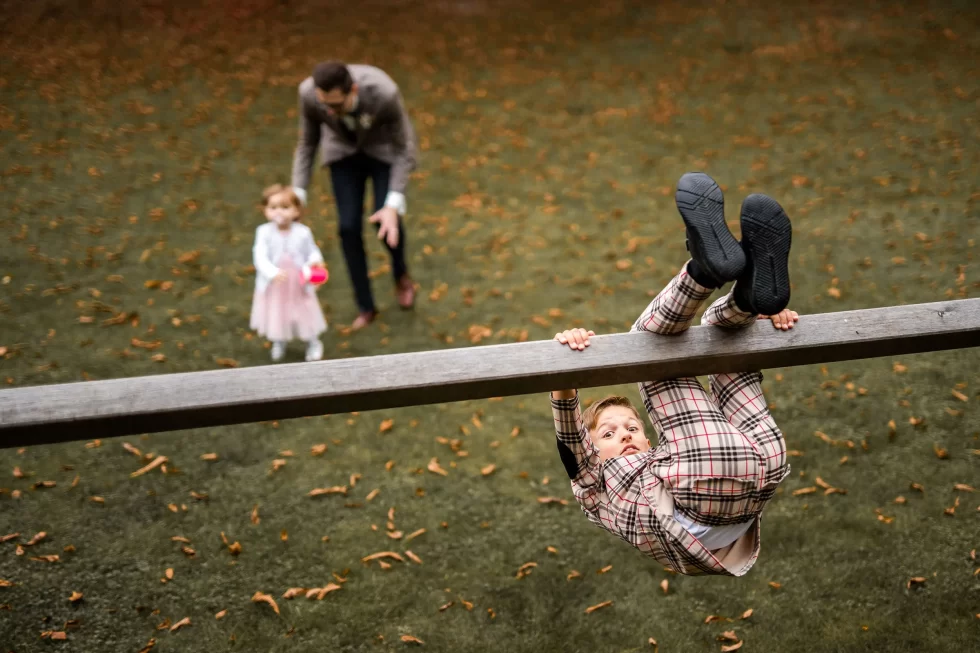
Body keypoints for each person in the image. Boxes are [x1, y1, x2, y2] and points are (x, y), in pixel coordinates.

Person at [550, 172, 797, 576]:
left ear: (648, 436)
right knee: (646, 350)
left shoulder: (661, 461)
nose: (625, 434)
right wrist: (564, 367)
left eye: (629, 426)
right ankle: (704, 271)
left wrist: (767, 323)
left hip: (761, 466)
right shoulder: (593, 482)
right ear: (591, 451)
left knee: (728, 347)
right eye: (607, 434)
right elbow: (569, 434)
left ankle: (750, 301)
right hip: (722, 486)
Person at [291, 60, 418, 330]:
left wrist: (393, 204)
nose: (328, 111)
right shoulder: (309, 94)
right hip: (342, 154)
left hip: (382, 152)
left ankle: (401, 274)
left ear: (354, 90)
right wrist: (297, 194)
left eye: (335, 106)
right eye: (324, 104)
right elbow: (308, 142)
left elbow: (404, 149)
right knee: (348, 227)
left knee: (384, 221)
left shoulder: (384, 93)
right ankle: (365, 305)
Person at [250, 184, 329, 362]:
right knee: (277, 312)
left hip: (298, 282)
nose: (279, 212)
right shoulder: (263, 232)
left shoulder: (303, 232)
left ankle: (313, 342)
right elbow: (259, 256)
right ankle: (279, 340)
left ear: (296, 211)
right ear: (265, 210)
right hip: (275, 284)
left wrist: (315, 261)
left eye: (285, 207)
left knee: (304, 312)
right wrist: (272, 272)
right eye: (273, 207)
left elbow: (312, 251)